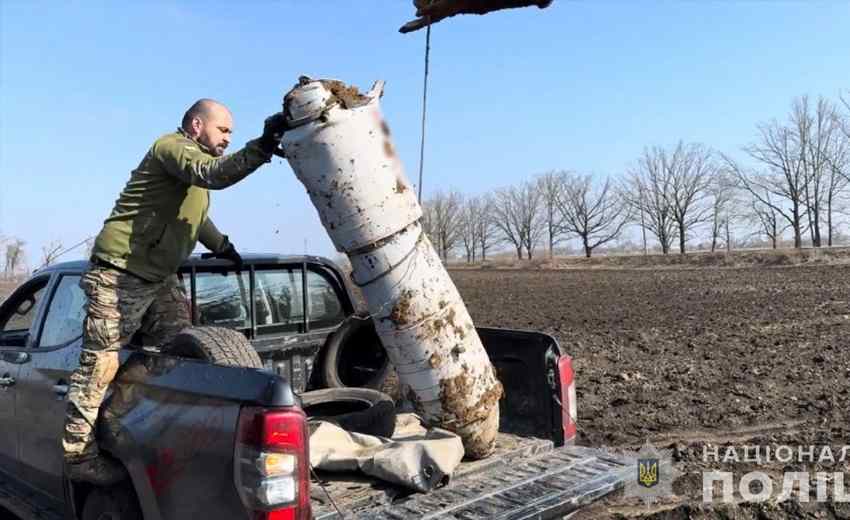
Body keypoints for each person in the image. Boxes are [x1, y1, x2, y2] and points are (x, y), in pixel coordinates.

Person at [63, 99, 288, 485]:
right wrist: (263, 145)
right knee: (101, 363)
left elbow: (196, 219)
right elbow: (214, 173)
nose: (227, 139)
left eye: (232, 134)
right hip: (120, 271)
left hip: (159, 276)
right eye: (224, 131)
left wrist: (224, 248)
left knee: (179, 354)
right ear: (197, 125)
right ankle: (79, 457)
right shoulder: (171, 148)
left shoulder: (193, 174)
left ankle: (152, 431)